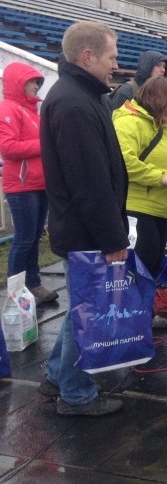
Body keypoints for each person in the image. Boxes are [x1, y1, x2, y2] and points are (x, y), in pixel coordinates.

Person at [40, 20, 129, 416]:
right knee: (86, 312)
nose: (116, 65)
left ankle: (58, 375)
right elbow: (89, 184)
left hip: (80, 227)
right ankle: (75, 395)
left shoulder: (80, 95)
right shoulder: (74, 103)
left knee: (81, 305)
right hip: (84, 231)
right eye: (111, 57)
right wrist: (113, 240)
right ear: (88, 56)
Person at [112, 76, 167, 328]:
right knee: (139, 265)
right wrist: (161, 178)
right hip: (138, 207)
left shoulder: (163, 126)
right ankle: (130, 319)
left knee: (152, 264)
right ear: (162, 101)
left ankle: (141, 314)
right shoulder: (129, 123)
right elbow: (125, 163)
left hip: (159, 207)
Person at [0, 62, 58, 306]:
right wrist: (44, 144)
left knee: (34, 237)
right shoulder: (8, 109)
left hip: (38, 183)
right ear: (19, 82)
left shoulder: (32, 112)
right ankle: (16, 290)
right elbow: (7, 148)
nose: (37, 86)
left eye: (38, 82)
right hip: (22, 186)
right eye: (33, 81)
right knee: (24, 238)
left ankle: (33, 284)